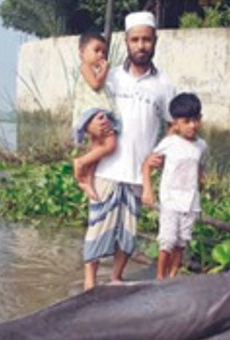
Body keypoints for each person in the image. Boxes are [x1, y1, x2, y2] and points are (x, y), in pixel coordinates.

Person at [82, 11, 176, 290]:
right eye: (135, 39)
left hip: (138, 172)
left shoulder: (165, 85)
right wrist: (90, 129)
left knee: (128, 232)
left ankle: (116, 279)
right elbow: (87, 107)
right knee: (97, 226)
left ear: (155, 41)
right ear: (126, 41)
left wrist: (159, 153)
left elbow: (173, 124)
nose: (141, 45)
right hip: (107, 168)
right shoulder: (109, 78)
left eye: (146, 39)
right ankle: (89, 283)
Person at [142, 93, 207, 280]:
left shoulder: (201, 146)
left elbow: (200, 170)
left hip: (191, 203)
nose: (192, 125)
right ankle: (160, 277)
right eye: (186, 121)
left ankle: (172, 275)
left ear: (200, 119)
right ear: (176, 123)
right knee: (167, 241)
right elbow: (148, 164)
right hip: (170, 201)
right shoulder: (169, 143)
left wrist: (201, 186)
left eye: (196, 120)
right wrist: (148, 189)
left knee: (181, 242)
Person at [71, 32, 120, 201]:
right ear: (82, 52)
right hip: (93, 112)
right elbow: (95, 84)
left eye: (104, 52)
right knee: (110, 144)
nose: (101, 55)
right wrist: (105, 71)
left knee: (98, 148)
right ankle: (81, 162)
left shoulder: (96, 70)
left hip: (97, 111)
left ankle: (87, 180)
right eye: (96, 50)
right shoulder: (86, 67)